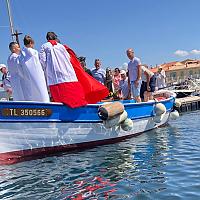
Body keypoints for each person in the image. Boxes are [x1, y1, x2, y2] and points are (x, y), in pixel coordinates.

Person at [39, 32, 87, 108]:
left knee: (58, 91)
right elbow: (68, 57)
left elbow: (42, 60)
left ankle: (60, 106)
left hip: (53, 71)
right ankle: (77, 104)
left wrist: (46, 68)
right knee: (70, 88)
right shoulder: (61, 46)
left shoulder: (44, 46)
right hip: (66, 70)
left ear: (47, 38)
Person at [19, 35, 50, 102]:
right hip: (38, 74)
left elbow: (19, 68)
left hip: (27, 76)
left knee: (30, 91)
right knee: (41, 90)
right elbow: (42, 62)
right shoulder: (35, 52)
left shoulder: (21, 55)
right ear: (30, 43)